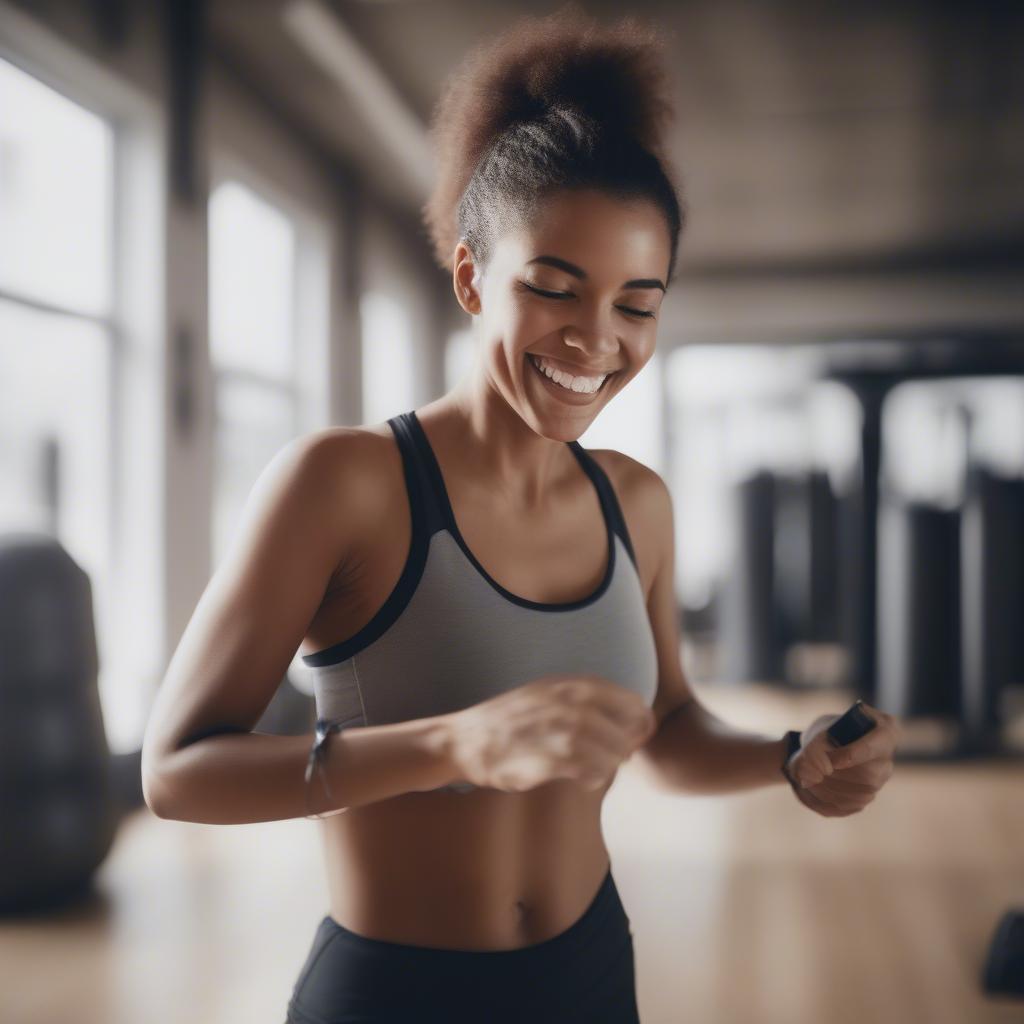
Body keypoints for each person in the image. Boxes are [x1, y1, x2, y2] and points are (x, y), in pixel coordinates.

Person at [141, 6, 902, 1023]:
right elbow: (176, 773)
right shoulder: (345, 482)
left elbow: (665, 730)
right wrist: (450, 746)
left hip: (590, 972)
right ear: (470, 276)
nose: (596, 340)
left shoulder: (637, 502)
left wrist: (789, 757)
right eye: (554, 287)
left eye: (638, 303)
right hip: (395, 992)